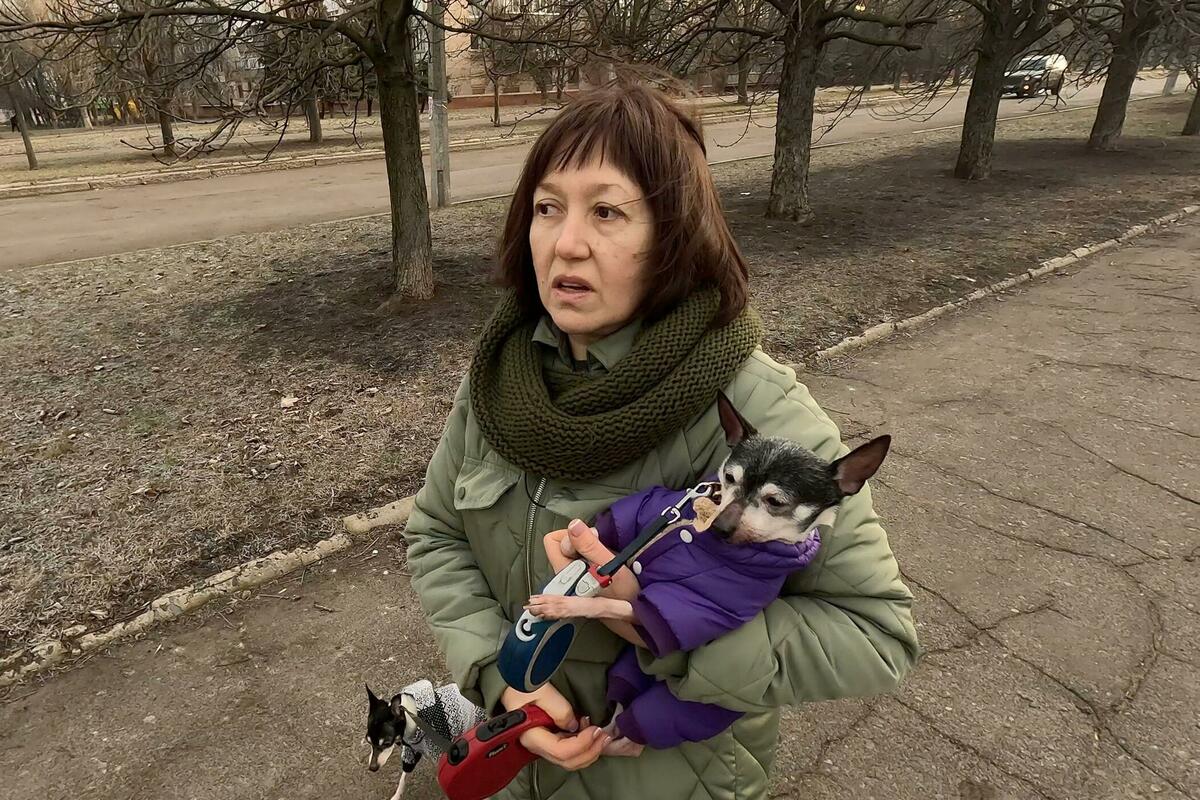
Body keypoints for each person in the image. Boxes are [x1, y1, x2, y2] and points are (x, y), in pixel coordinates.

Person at [403, 82, 919, 800]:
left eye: (606, 211)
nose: (567, 242)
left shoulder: (754, 411)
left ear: (673, 237)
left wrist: (671, 633)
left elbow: (874, 635)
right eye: (547, 208)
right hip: (520, 765)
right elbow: (437, 534)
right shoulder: (499, 380)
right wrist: (502, 677)